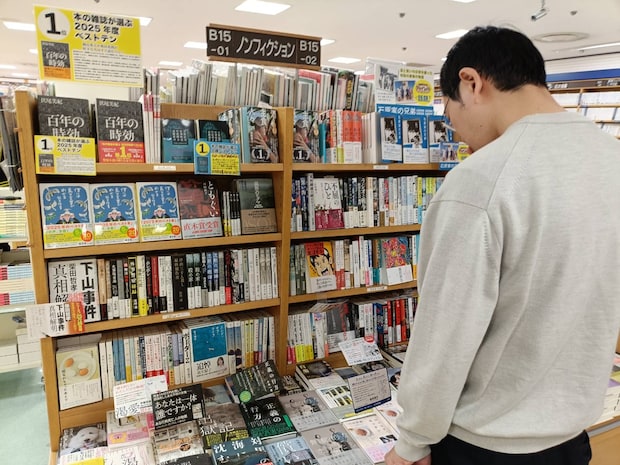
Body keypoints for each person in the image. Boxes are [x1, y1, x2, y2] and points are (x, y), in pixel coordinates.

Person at [384, 26, 620, 465]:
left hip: (485, 444)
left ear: (471, 83)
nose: (458, 134)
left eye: (450, 114)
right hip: (572, 438)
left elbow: (444, 337)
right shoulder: (611, 157)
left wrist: (411, 442)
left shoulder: (481, 180)